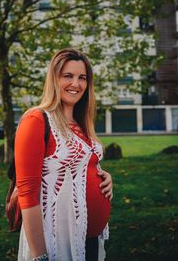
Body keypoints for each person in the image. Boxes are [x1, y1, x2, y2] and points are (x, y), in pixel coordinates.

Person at [15, 48, 113, 261]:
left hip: (91, 238)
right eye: (67, 76)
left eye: (82, 78)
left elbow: (83, 164)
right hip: (57, 238)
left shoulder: (81, 121)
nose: (76, 84)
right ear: (54, 79)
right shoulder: (37, 120)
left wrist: (103, 176)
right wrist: (39, 256)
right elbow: (27, 194)